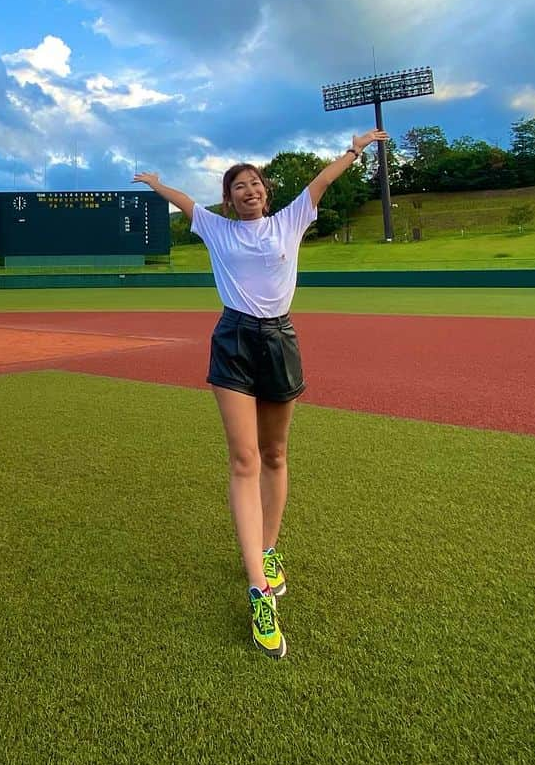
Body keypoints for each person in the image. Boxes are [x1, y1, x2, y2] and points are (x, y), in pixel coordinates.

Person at [133, 129, 387, 660]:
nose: (248, 191)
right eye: (238, 186)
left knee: (275, 453)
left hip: (280, 340)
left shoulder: (290, 220)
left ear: (266, 193)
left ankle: (268, 549)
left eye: (255, 184)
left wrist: (356, 148)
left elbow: (321, 181)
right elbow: (184, 202)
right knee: (244, 457)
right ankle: (259, 590)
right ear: (228, 199)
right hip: (233, 340)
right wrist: (158, 184)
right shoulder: (217, 230)